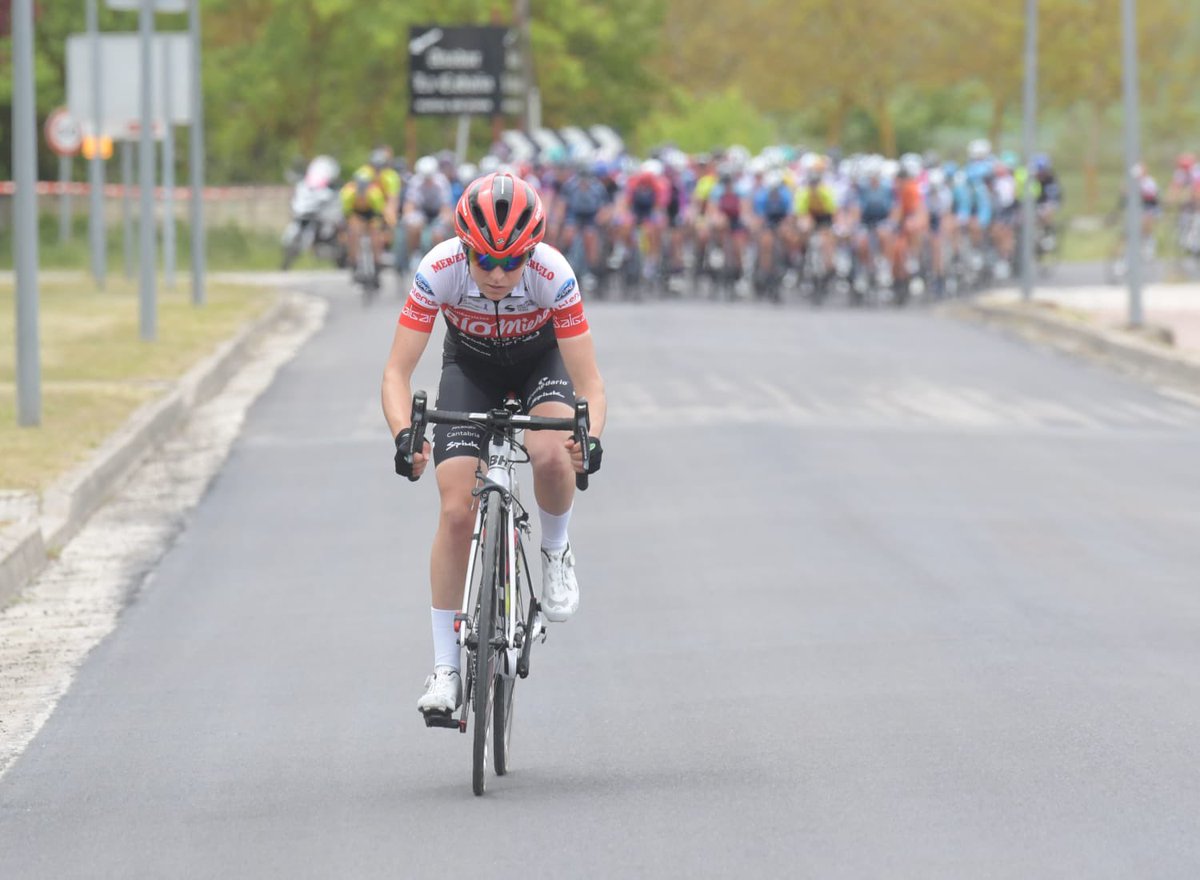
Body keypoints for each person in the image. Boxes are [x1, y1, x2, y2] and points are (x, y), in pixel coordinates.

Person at [380, 172, 608, 717]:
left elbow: (591, 385)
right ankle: (445, 669)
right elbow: (395, 374)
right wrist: (405, 435)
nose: (500, 274)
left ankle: (555, 549)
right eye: (485, 260)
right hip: (471, 369)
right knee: (456, 509)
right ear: (464, 250)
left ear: (533, 253)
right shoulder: (438, 269)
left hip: (540, 365)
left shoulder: (554, 274)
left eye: (513, 261)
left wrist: (591, 439)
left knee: (550, 453)